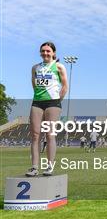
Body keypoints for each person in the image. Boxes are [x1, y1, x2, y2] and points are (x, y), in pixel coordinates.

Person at [26, 42, 68, 177]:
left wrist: (57, 101)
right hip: (37, 102)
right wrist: (39, 96)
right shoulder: (35, 68)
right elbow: (34, 84)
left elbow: (65, 86)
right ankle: (34, 167)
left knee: (50, 134)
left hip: (53, 103)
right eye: (43, 51)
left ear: (53, 53)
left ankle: (50, 166)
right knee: (35, 135)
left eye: (48, 51)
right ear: (40, 52)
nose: (45, 53)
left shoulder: (59, 66)